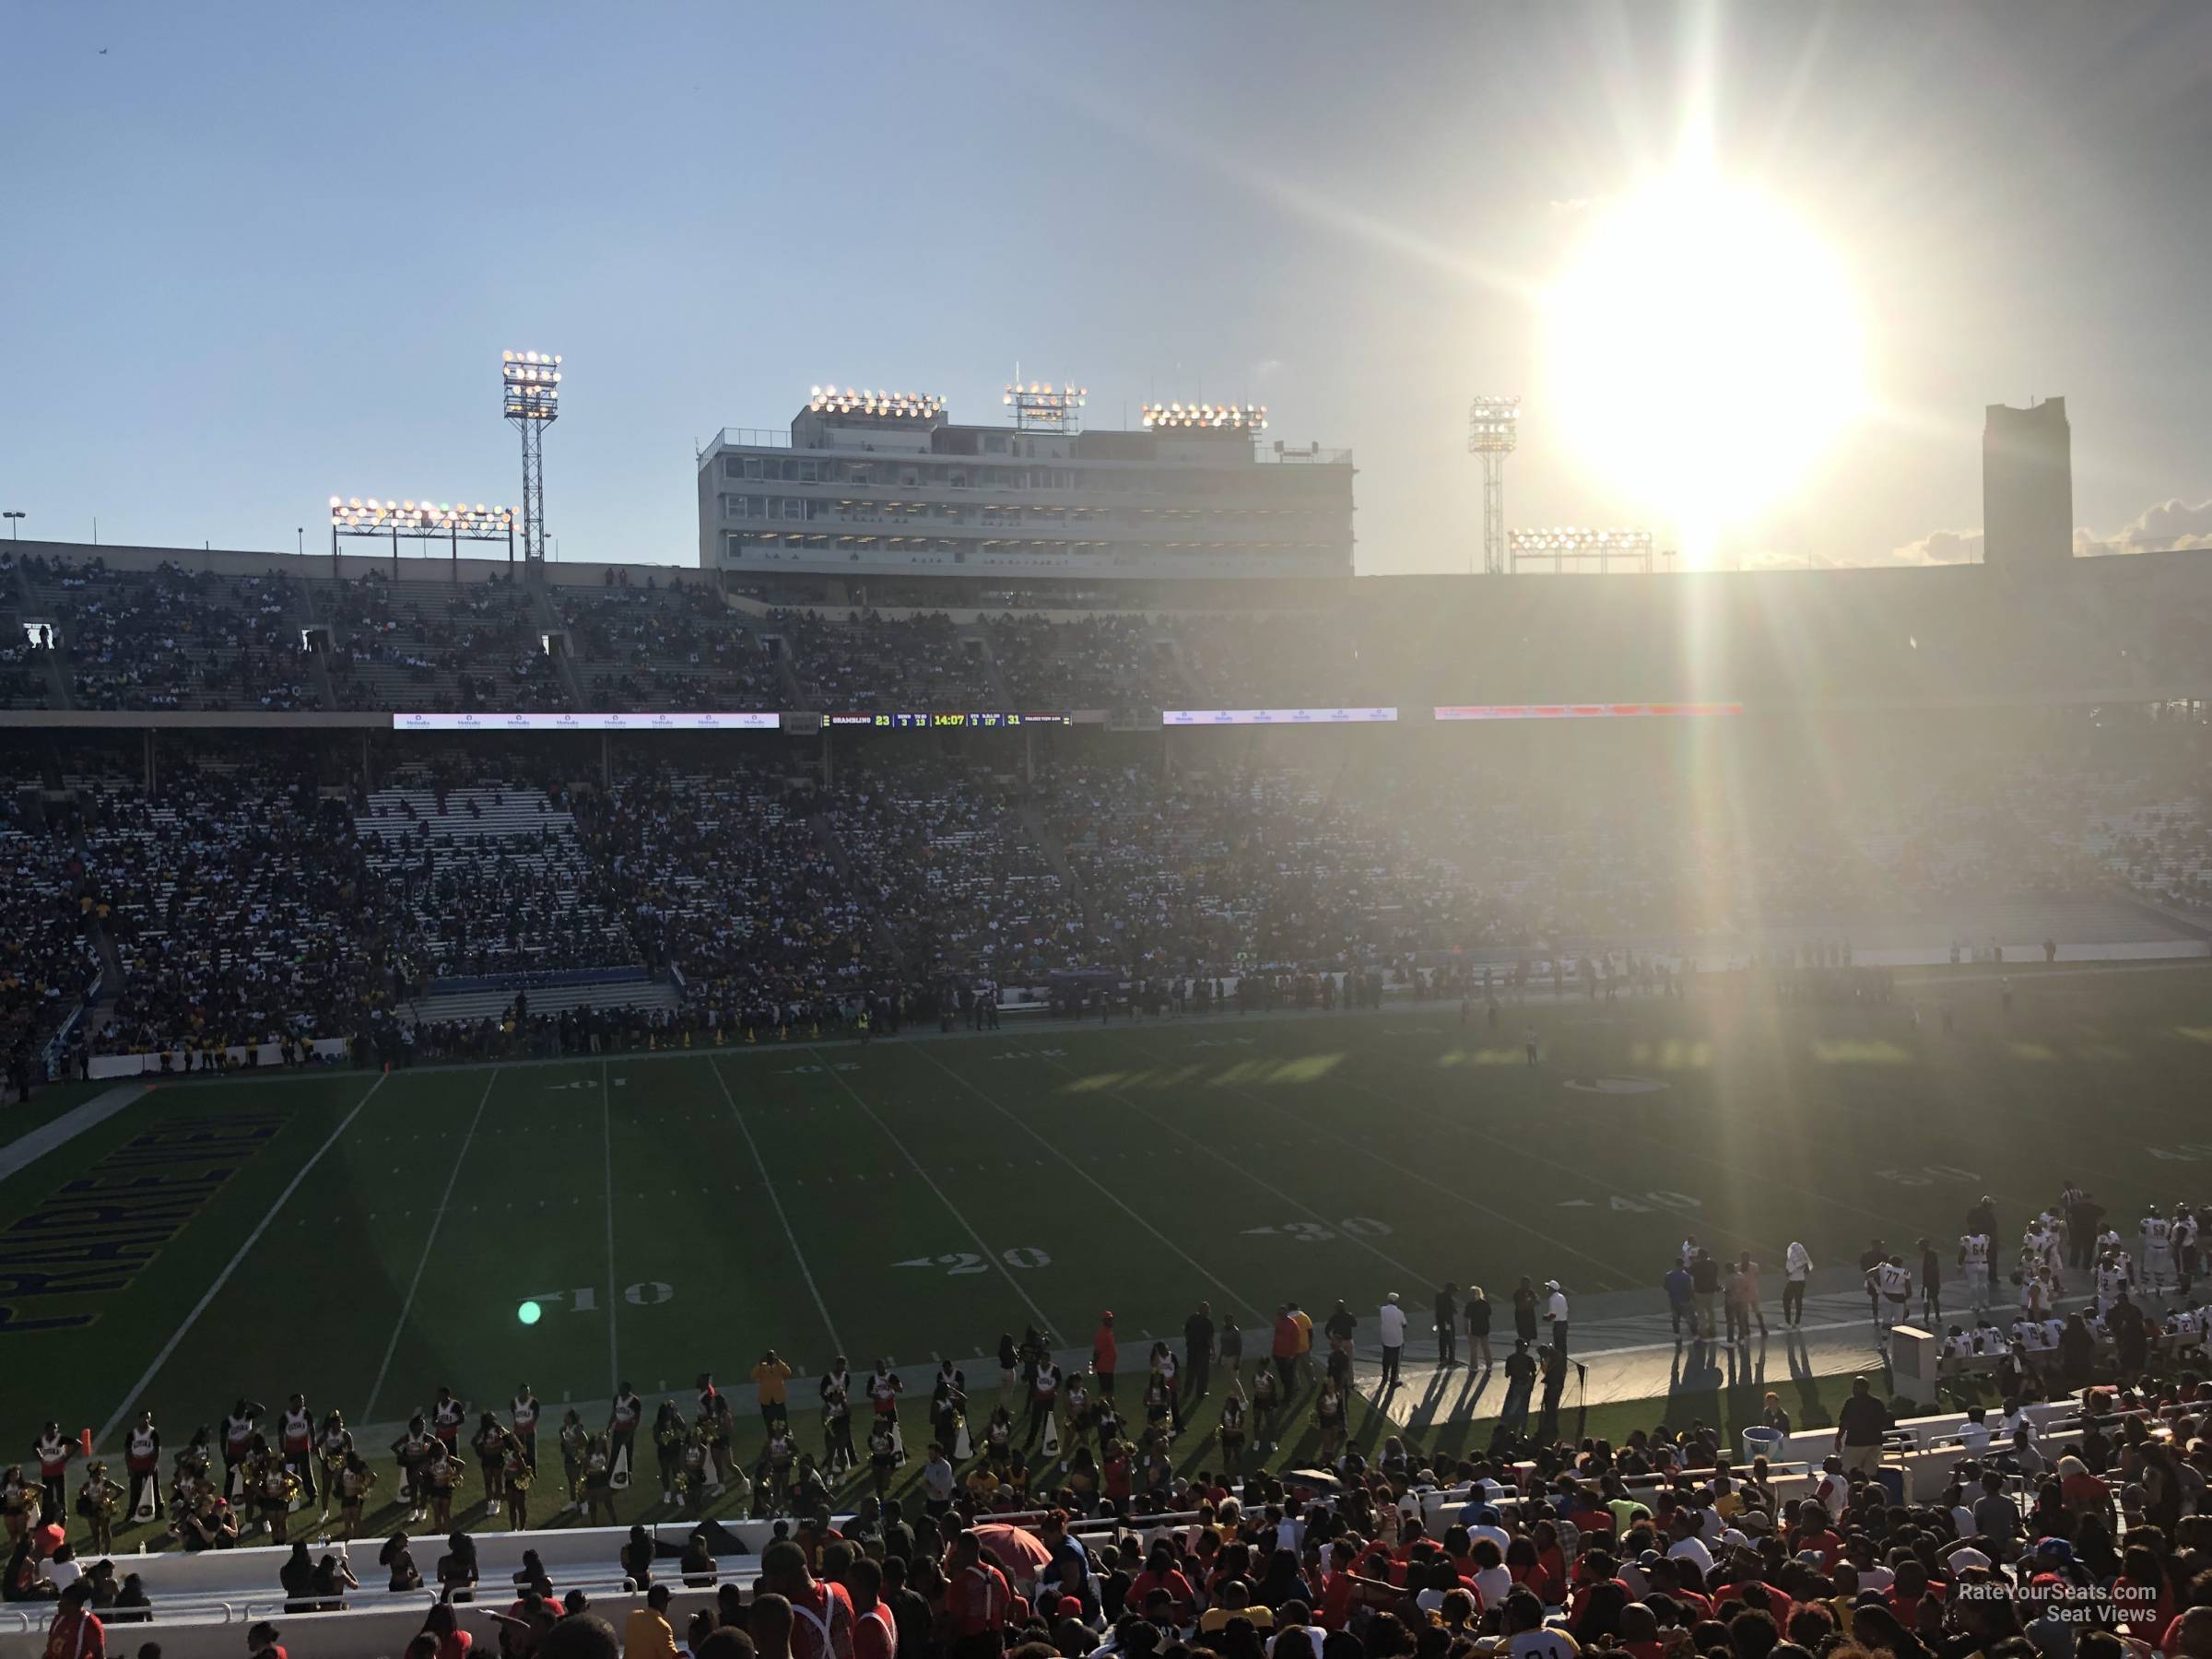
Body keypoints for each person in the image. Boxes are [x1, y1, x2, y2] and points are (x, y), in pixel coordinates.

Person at [1833, 1374, 1889, 1476]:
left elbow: (1844, 1423)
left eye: (1855, 1387)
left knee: (1848, 1472)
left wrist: (1838, 1438)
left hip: (1855, 1443)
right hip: (1875, 1443)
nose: (1853, 1389)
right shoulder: (1877, 1403)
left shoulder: (1851, 1403)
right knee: (1870, 1474)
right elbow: (1884, 1424)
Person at [624, 1584, 678, 1659]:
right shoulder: (663, 1627)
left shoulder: (632, 1618)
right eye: (667, 1602)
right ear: (663, 1604)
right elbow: (672, 1656)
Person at [1377, 1293, 1407, 1388]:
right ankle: (1393, 1381)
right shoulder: (1400, 1312)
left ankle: (1385, 1376)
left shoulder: (1383, 1310)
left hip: (1386, 1337)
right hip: (1397, 1339)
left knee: (1386, 1357)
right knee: (1395, 1361)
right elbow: (1404, 1324)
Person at [1783, 1241, 1812, 1326]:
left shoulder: (1791, 1259)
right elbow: (1807, 1271)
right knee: (1798, 1302)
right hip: (1802, 1281)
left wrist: (1792, 1269)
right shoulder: (1803, 1259)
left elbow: (1787, 1273)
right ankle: (1797, 1322)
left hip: (1793, 1282)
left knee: (1786, 1300)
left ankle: (1788, 1321)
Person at [1465, 1285, 1493, 1370]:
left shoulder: (1470, 1304)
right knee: (1486, 1347)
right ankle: (1489, 1364)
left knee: (1474, 1348)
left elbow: (1466, 1317)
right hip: (1484, 1327)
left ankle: (1474, 1365)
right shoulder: (1484, 1303)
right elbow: (1489, 1314)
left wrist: (1466, 1329)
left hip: (1475, 1328)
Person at [1664, 1259, 1694, 1335]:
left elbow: (1665, 1286)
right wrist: (1692, 1298)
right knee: (1689, 1317)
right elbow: (1689, 1288)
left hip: (1674, 1299)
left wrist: (1672, 1290)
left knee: (1675, 1318)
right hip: (1684, 1299)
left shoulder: (1668, 1275)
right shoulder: (1686, 1276)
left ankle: (1677, 1334)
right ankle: (1694, 1334)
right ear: (1682, 1265)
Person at [1433, 1282, 1458, 1366]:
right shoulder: (1448, 1298)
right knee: (1450, 1340)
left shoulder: (1439, 1297)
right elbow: (1452, 1310)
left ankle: (1443, 1358)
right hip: (1448, 1322)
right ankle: (1451, 1359)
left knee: (1442, 1339)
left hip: (1441, 1321)